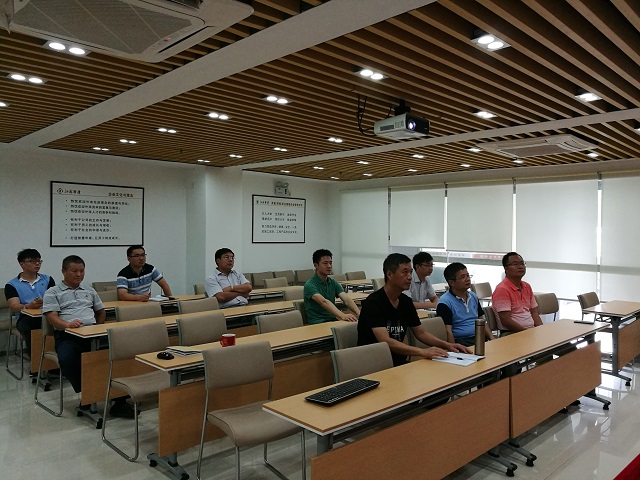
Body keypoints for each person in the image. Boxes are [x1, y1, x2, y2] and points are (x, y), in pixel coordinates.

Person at [42, 255, 134, 417]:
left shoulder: (89, 290)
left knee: (119, 354)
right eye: (74, 271)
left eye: (81, 271)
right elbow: (51, 317)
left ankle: (119, 402)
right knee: (67, 358)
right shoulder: (52, 292)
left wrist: (98, 326)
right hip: (68, 335)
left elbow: (101, 311)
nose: (79, 274)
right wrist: (67, 324)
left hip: (93, 334)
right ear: (63, 271)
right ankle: (89, 394)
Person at [357, 253, 470, 366]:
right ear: (390, 274)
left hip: (397, 361)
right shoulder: (373, 302)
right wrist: (422, 352)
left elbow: (421, 333)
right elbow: (385, 341)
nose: (410, 277)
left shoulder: (405, 301)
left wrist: (447, 345)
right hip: (372, 363)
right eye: (405, 272)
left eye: (411, 272)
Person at [4, 248, 55, 360]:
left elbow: (55, 298)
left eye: (39, 261)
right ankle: (36, 362)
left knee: (61, 323)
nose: (37, 264)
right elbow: (14, 306)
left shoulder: (48, 279)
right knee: (31, 326)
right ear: (22, 264)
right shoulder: (12, 285)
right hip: (25, 317)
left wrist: (45, 301)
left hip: (47, 314)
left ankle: (55, 360)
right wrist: (28, 306)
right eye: (32, 261)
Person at [437, 262, 494, 346]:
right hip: (462, 341)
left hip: (479, 337)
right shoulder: (445, 302)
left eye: (468, 276)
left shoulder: (473, 296)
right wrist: (454, 350)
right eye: (462, 277)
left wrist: (492, 339)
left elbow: (482, 321)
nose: (467, 279)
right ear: (451, 282)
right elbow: (448, 331)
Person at [303, 249, 360, 325]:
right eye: (325, 263)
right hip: (318, 322)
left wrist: (359, 313)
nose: (329, 266)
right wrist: (342, 315)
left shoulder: (333, 282)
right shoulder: (310, 284)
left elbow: (346, 299)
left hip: (332, 320)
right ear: (316, 265)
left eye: (330, 263)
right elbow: (323, 302)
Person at [492, 252, 543, 335]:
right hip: (511, 333)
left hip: (530, 331)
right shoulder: (502, 289)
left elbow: (534, 312)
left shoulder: (527, 286)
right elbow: (505, 320)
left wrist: (541, 330)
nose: (520, 267)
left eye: (522, 263)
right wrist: (526, 333)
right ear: (506, 268)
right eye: (515, 264)